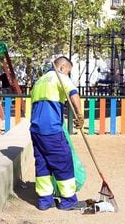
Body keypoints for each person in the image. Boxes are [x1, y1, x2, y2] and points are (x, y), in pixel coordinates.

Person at [30, 56, 85, 211]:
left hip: (35, 128)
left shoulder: (39, 81)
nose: (68, 75)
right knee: (63, 160)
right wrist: (79, 115)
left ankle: (44, 200)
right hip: (51, 129)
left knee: (43, 164)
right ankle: (68, 200)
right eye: (68, 71)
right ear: (62, 68)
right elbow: (73, 93)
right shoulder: (59, 77)